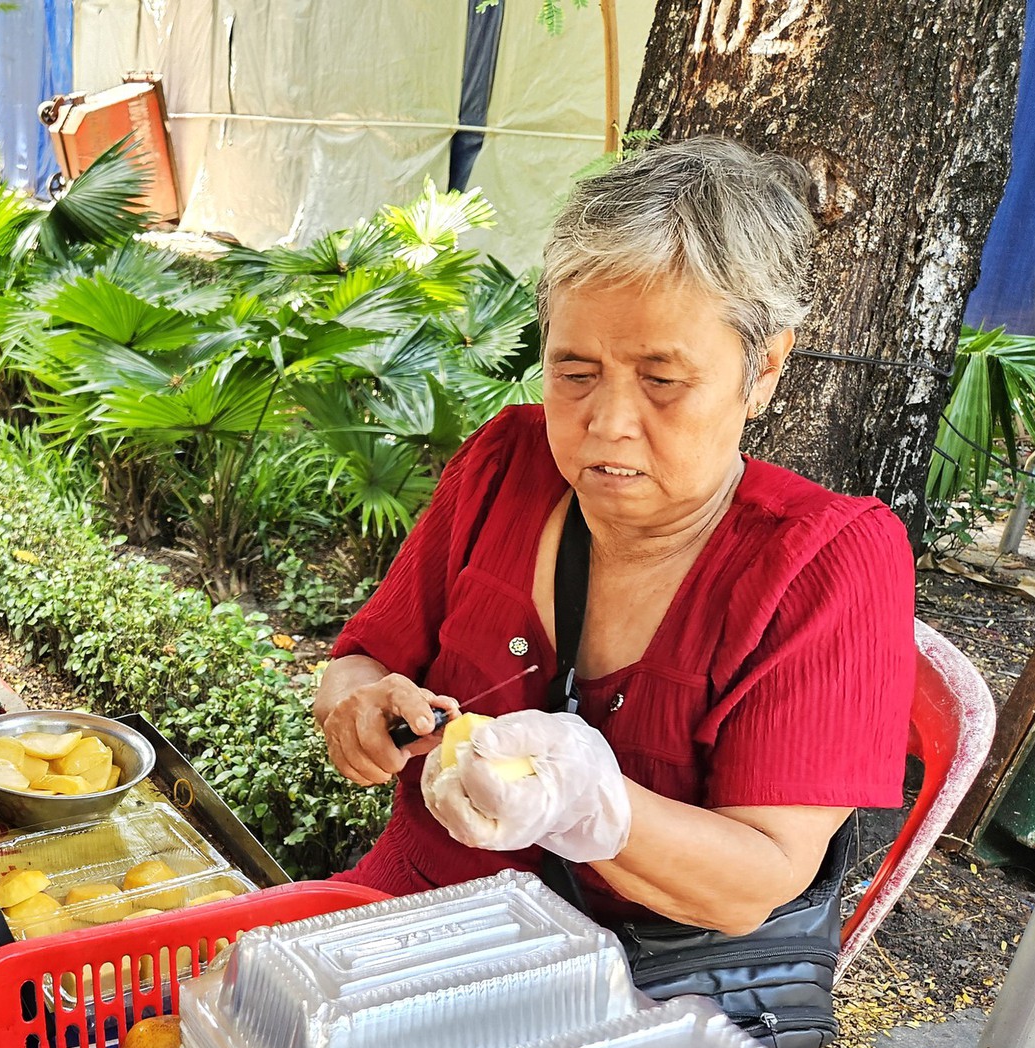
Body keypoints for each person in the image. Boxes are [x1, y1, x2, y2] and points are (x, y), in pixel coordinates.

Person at [313, 136, 915, 938]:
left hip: (623, 989)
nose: (608, 422)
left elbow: (752, 884)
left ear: (763, 370)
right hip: (404, 914)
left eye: (662, 381)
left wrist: (590, 803)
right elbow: (360, 663)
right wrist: (359, 706)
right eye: (574, 372)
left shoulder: (826, 562)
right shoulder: (507, 465)